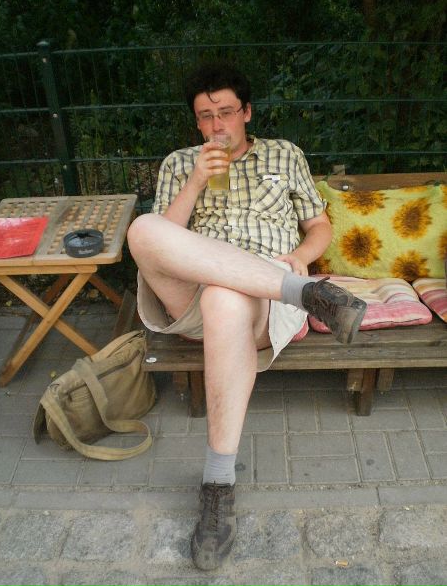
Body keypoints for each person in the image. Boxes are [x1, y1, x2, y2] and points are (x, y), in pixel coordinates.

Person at [127, 62, 366, 571]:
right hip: (191, 296)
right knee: (143, 231)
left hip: (263, 299)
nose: (217, 125)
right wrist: (195, 180)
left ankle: (217, 485)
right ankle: (311, 295)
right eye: (206, 116)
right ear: (196, 121)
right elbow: (162, 245)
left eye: (227, 112)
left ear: (247, 112)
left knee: (225, 298)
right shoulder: (180, 163)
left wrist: (300, 256)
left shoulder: (285, 154)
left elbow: (319, 226)